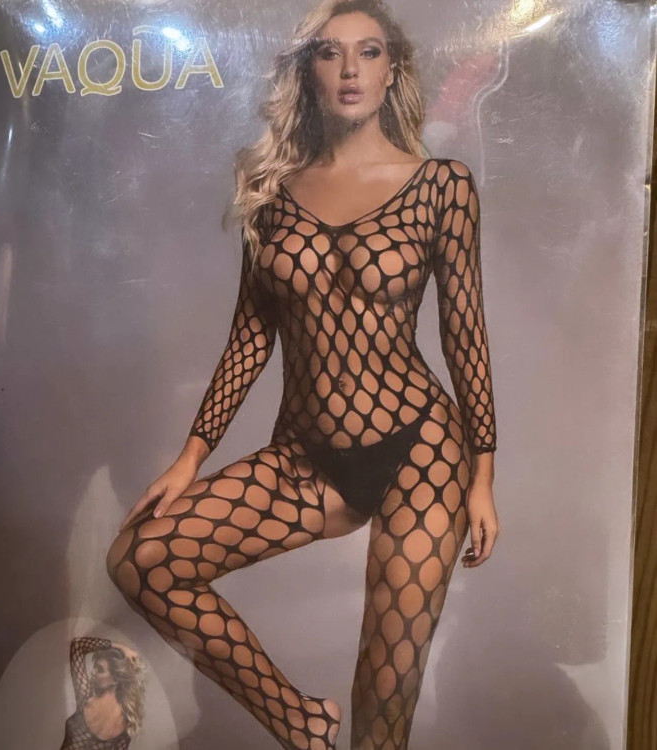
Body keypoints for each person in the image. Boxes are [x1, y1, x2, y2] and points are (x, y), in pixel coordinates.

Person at [107, 0, 500, 747]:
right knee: (142, 562)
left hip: (421, 450)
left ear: (393, 71)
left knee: (384, 706)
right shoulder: (272, 193)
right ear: (308, 71)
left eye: (369, 52)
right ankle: (302, 724)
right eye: (329, 52)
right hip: (307, 455)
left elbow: (465, 334)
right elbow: (249, 337)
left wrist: (483, 473)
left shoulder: (442, 186)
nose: (349, 69)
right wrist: (190, 457)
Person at [60, 637, 146, 750]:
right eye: (95, 667)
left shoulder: (85, 695)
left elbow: (78, 645)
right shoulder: (127, 723)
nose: (93, 673)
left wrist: (122, 648)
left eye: (100, 670)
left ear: (115, 679)